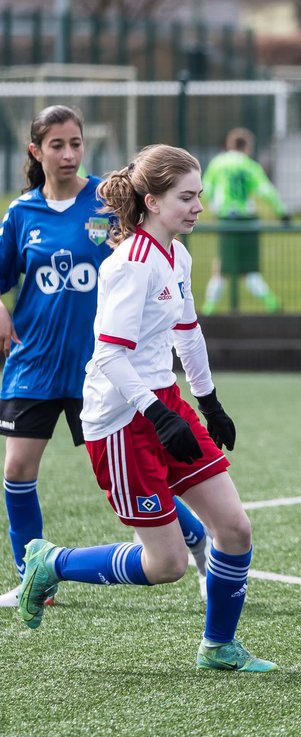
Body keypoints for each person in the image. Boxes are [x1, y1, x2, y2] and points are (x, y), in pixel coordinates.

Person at [13, 143, 276, 673]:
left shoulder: (177, 254)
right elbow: (109, 354)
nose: (198, 206)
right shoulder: (130, 265)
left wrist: (208, 400)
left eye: (199, 195)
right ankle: (52, 561)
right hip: (120, 418)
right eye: (186, 197)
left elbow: (188, 332)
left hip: (164, 401)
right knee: (167, 565)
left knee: (235, 528)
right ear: (152, 201)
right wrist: (156, 415)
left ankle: (218, 646)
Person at [0, 105, 209, 610]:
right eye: (57, 145)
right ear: (36, 152)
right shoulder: (21, 213)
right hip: (36, 363)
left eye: (76, 143)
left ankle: (200, 544)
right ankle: (33, 573)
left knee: (140, 474)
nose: (69, 153)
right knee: (18, 470)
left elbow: (146, 256)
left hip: (103, 370)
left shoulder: (108, 202)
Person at [201, 128, 289, 314]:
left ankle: (208, 310)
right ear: (247, 146)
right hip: (246, 220)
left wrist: (212, 208)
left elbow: (206, 189)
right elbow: (266, 190)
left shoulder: (218, 164)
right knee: (248, 267)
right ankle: (271, 303)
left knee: (222, 266)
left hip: (226, 220)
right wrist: (282, 212)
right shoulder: (250, 166)